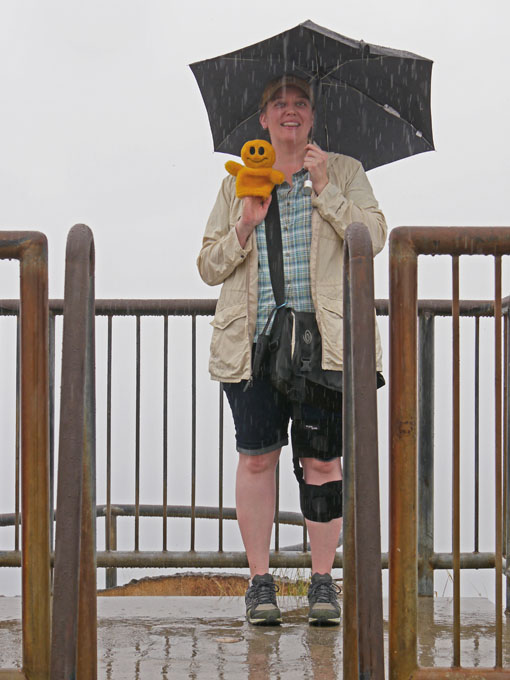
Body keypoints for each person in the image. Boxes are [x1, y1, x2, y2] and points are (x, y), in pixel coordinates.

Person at [197, 74, 387, 626]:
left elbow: (374, 238)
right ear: (262, 119)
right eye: (278, 103)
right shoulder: (238, 181)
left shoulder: (345, 170)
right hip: (253, 342)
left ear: (312, 115)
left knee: (323, 461)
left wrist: (327, 189)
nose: (290, 111)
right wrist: (244, 224)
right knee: (257, 458)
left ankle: (323, 582)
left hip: (325, 343)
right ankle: (260, 583)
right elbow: (207, 265)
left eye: (300, 103)